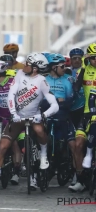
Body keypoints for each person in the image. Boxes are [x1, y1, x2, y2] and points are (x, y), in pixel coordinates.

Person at [0, 52, 59, 192]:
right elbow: (11, 94)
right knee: (3, 146)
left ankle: (43, 154)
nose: (24, 65)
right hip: (18, 117)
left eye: (28, 64)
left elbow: (55, 105)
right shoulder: (19, 74)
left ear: (35, 68)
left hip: (34, 117)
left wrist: (43, 115)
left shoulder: (42, 81)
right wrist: (13, 113)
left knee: (39, 131)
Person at [43, 53, 82, 192]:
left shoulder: (68, 80)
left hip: (64, 116)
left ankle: (78, 177)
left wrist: (62, 103)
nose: (65, 68)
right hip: (47, 116)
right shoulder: (44, 80)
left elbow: (71, 99)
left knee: (74, 145)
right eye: (62, 66)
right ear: (53, 67)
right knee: (40, 140)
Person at [74, 44, 96, 184]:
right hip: (87, 113)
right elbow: (76, 88)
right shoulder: (84, 70)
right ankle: (79, 179)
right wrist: (83, 67)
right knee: (78, 145)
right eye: (93, 58)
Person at [67, 47, 86, 190]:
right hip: (69, 111)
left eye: (80, 58)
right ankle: (75, 172)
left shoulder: (86, 71)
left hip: (84, 110)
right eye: (74, 58)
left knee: (82, 144)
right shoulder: (67, 72)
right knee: (72, 144)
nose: (77, 60)